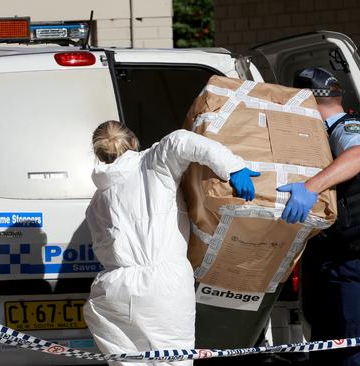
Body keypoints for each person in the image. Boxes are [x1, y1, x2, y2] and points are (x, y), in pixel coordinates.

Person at [83, 120, 259, 366]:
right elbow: (182, 140)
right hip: (163, 288)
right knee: (174, 362)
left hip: (113, 293)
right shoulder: (152, 163)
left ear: (99, 154)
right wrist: (233, 167)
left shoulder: (96, 201)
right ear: (134, 142)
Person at [281, 67, 360, 366]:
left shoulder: (349, 128)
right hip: (333, 262)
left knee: (358, 355)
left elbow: (359, 156)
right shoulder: (318, 139)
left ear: (307, 101)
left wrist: (310, 188)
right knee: (326, 353)